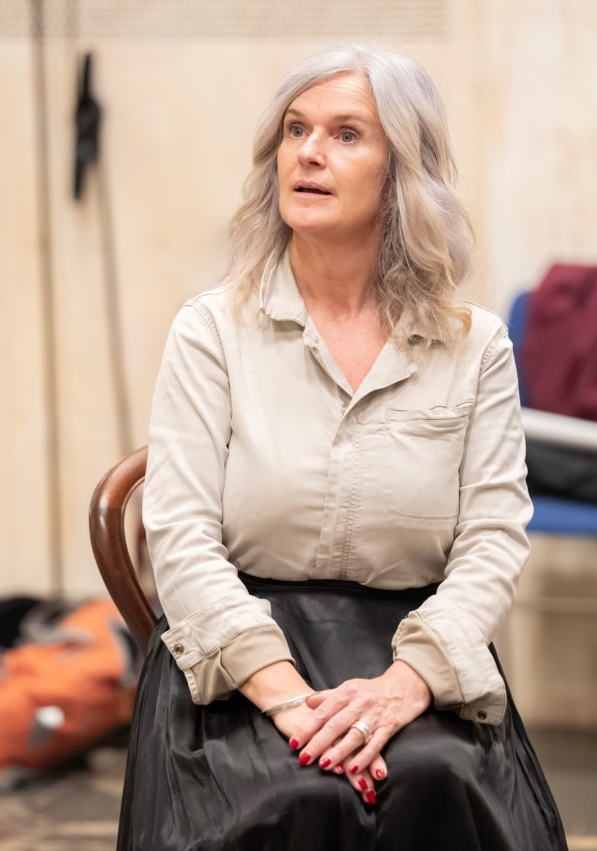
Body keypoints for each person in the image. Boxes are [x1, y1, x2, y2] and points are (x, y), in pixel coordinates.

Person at [118, 44, 567, 850]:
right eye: (296, 130)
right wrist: (288, 698)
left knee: (437, 779)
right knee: (292, 793)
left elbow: (493, 540)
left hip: (413, 652)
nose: (309, 153)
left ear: (404, 173)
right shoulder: (212, 330)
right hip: (240, 651)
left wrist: (406, 684)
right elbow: (180, 536)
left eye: (346, 134)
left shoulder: (475, 348)